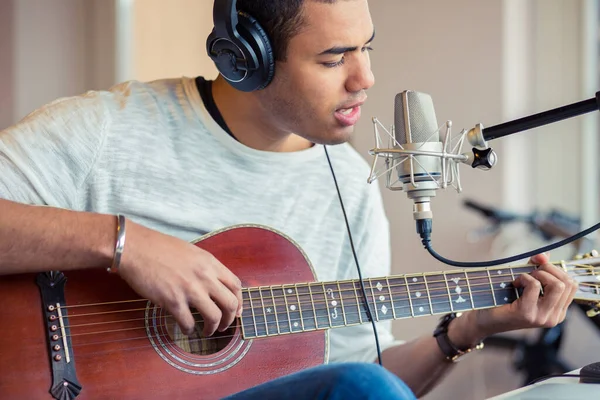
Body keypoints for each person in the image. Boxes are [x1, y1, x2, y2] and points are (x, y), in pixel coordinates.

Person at [0, 0, 578, 399]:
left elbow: (354, 379)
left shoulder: (348, 184)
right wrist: (125, 243)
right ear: (245, 59)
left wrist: (467, 329)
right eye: (333, 58)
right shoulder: (110, 129)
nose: (365, 79)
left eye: (366, 49)